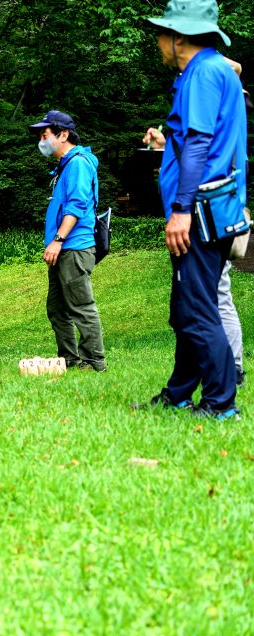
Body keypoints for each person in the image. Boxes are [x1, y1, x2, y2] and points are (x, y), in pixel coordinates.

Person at [140, 0, 246, 418]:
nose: (158, 42)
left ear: (178, 37)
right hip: (210, 208)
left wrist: (181, 209)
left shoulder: (202, 73)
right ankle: (179, 392)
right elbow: (197, 139)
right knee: (186, 307)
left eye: (161, 34)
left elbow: (201, 143)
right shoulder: (213, 69)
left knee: (198, 310)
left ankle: (221, 403)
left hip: (200, 211)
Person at [30, 110, 107, 372]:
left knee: (81, 306)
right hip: (63, 248)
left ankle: (93, 361)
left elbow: (76, 204)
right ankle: (69, 360)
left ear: (63, 135)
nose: (41, 141)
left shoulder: (78, 164)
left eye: (45, 135)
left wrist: (58, 239)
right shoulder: (65, 166)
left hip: (73, 246)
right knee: (57, 308)